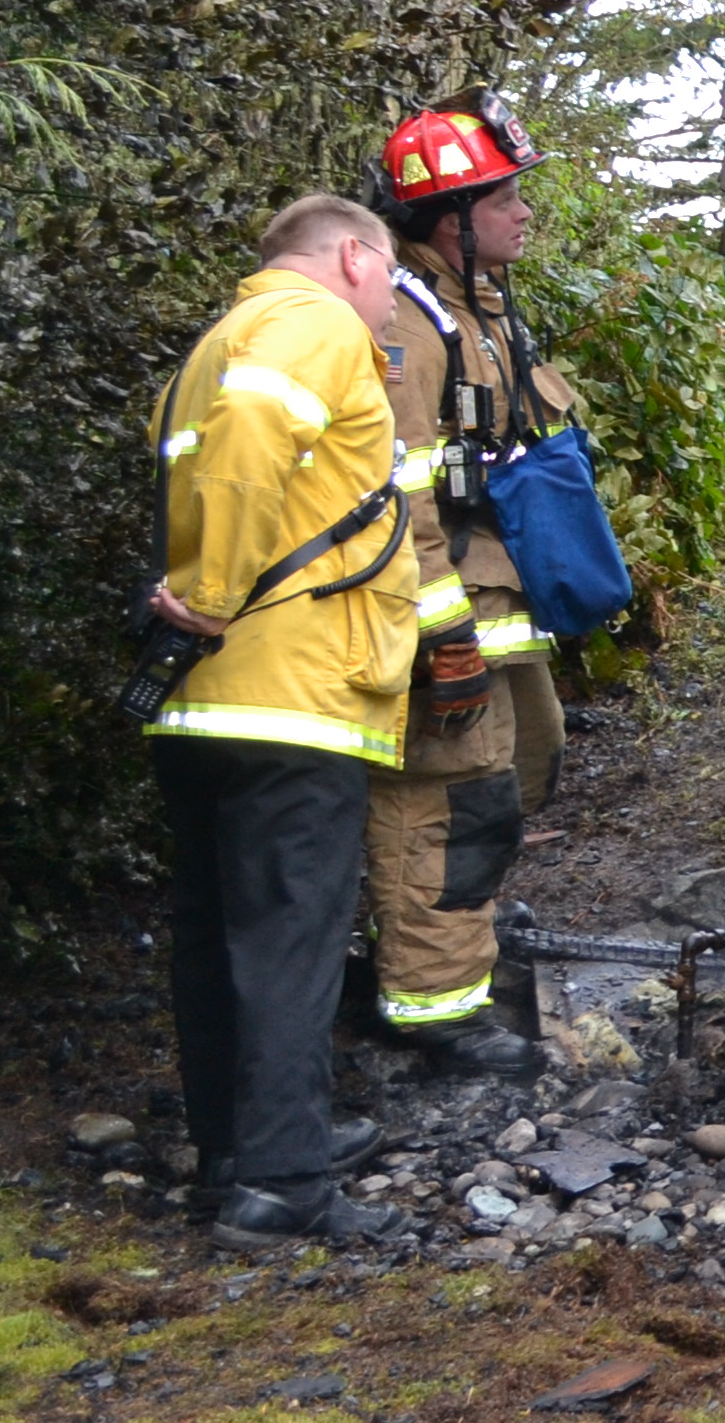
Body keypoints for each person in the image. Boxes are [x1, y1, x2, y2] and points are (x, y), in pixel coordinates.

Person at [144, 195, 419, 1251]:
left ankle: (240, 1150)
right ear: (354, 256)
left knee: (219, 940)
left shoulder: (214, 345)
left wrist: (201, 605)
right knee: (291, 945)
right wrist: (214, 590)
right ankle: (287, 1183)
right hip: (291, 695)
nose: (394, 302)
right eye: (390, 276)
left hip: (206, 698)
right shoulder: (314, 326)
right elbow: (258, 439)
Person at [362, 97, 571, 1075]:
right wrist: (436, 633)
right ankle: (432, 1010)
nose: (525, 212)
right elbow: (397, 495)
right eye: (508, 197)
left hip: (497, 596)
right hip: (442, 603)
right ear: (451, 217)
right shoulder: (407, 320)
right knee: (449, 794)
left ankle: (460, 933)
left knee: (527, 758)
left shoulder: (476, 305)